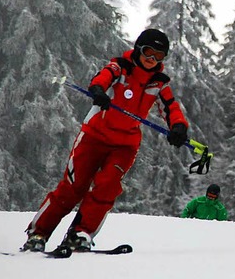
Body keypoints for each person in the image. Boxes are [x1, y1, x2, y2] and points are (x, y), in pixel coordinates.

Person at [22, 29, 189, 252]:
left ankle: (81, 233)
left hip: (125, 145)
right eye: (149, 53)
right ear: (138, 49)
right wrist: (99, 89)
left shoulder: (159, 83)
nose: (152, 60)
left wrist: (178, 127)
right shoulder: (120, 68)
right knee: (74, 187)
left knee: (107, 186)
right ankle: (38, 233)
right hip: (94, 136)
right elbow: (103, 76)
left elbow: (171, 108)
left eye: (159, 56)